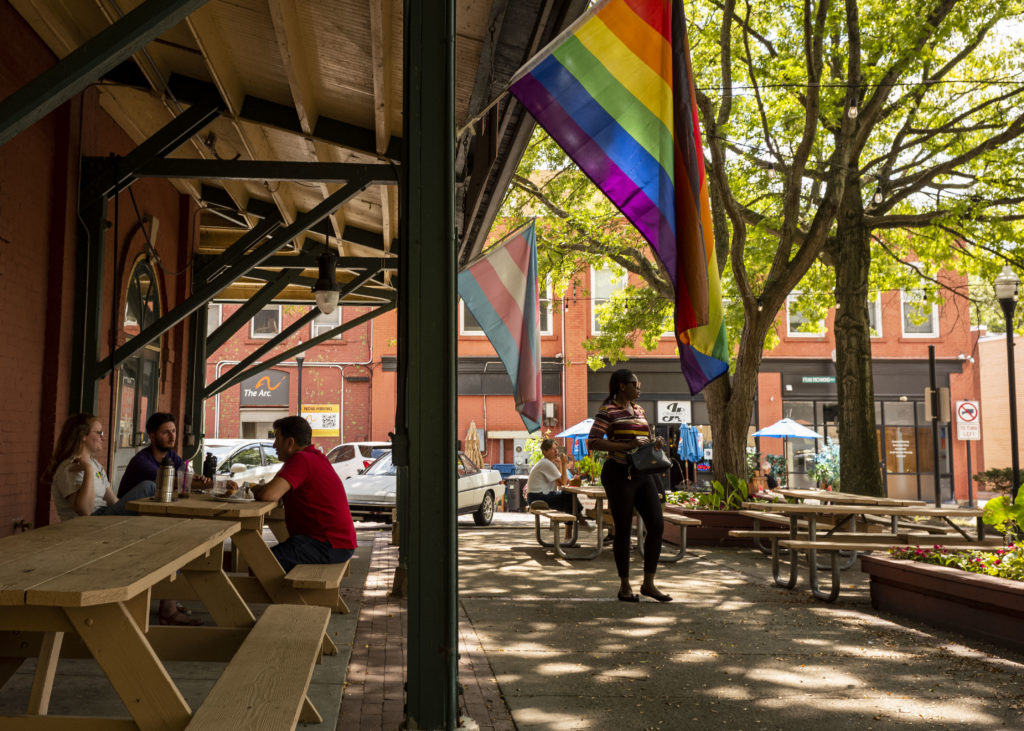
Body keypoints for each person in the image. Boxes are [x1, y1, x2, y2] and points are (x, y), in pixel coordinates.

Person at [45, 413, 203, 626]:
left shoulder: (95, 465)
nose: (103, 437)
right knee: (148, 486)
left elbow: (114, 502)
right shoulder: (70, 468)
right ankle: (167, 608)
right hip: (87, 527)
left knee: (169, 541)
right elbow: (84, 510)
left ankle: (168, 605)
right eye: (98, 432)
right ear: (83, 436)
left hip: (105, 521)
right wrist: (88, 471)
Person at [587, 369, 672, 603]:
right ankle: (624, 586)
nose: (639, 388)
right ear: (622, 386)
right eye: (635, 384)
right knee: (623, 530)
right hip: (618, 474)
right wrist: (626, 445)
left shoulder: (639, 410)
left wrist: (654, 443)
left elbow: (642, 437)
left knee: (656, 525)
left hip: (642, 474)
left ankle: (649, 584)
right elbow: (593, 441)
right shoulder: (607, 411)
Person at [253, 416, 357, 572]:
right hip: (335, 542)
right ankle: (283, 596)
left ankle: (284, 597)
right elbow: (275, 489)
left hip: (327, 544)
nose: (274, 445)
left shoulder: (301, 459)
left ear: (290, 442)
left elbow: (269, 494)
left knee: (261, 564)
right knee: (266, 561)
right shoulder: (314, 457)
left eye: (277, 439)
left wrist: (254, 489)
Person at [118, 412, 211, 498]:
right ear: (152, 436)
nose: (172, 436)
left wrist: (199, 478)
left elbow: (187, 475)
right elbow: (170, 481)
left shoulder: (170, 455)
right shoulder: (141, 461)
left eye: (173, 431)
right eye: (165, 432)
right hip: (129, 512)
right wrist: (218, 483)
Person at [525, 439, 586, 539]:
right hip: (537, 497)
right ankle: (580, 518)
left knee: (568, 500)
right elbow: (564, 482)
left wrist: (560, 465)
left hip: (536, 496)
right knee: (569, 496)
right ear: (545, 451)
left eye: (556, 449)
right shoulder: (546, 463)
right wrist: (563, 463)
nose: (556, 451)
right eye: (553, 449)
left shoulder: (548, 463)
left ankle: (572, 530)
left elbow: (560, 484)